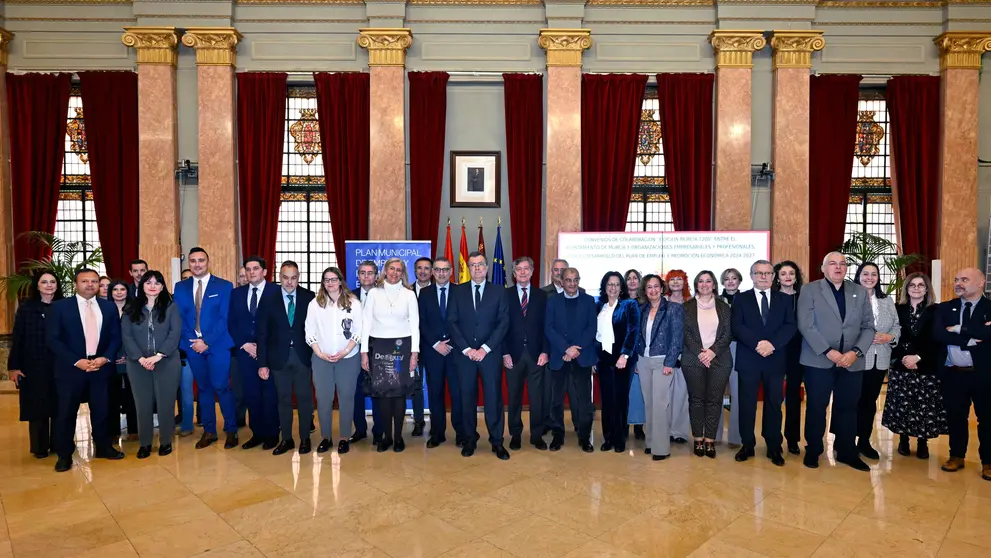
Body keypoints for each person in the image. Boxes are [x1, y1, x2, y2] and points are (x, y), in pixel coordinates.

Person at [797, 251, 875, 471]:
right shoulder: (810, 289)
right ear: (823, 268)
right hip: (818, 360)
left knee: (848, 407)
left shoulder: (858, 292)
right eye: (832, 263)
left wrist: (856, 352)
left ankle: (847, 451)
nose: (838, 267)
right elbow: (806, 325)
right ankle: (813, 449)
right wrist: (828, 351)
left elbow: (869, 327)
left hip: (852, 362)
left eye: (842, 264)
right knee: (816, 407)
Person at [47, 268, 124, 472]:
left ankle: (104, 447)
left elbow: (116, 337)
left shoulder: (108, 308)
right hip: (71, 369)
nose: (90, 285)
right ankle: (64, 454)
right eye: (85, 281)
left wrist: (104, 358)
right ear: (75, 284)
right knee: (66, 412)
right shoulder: (60, 307)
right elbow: (53, 339)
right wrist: (76, 361)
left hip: (101, 367)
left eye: (94, 281)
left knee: (102, 409)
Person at [731, 260, 796, 466]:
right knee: (747, 405)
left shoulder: (784, 299)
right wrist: (757, 344)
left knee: (774, 405)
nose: (763, 277)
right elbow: (737, 326)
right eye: (759, 273)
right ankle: (747, 445)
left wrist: (772, 344)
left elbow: (790, 326)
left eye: (768, 273)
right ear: (751, 276)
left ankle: (773, 446)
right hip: (749, 358)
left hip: (775, 359)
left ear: (773, 276)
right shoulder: (741, 299)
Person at [174, 247, 238, 450]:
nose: (197, 264)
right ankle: (209, 431)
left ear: (208, 262)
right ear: (189, 264)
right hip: (193, 346)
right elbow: (180, 318)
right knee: (203, 389)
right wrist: (194, 340)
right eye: (193, 261)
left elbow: (225, 318)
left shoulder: (224, 286)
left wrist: (207, 341)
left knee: (222, 386)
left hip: (217, 345)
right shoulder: (180, 287)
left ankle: (231, 430)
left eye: (201, 260)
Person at [448, 251, 510, 459]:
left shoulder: (499, 291)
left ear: (486, 268)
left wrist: (485, 349)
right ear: (468, 268)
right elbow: (452, 322)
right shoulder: (457, 292)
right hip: (464, 355)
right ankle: (469, 439)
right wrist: (467, 349)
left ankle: (497, 441)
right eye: (472, 265)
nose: (476, 268)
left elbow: (503, 323)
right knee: (466, 398)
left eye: (480, 265)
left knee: (493, 398)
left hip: (490, 355)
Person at [933, 267, 991, 480]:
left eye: (964, 279)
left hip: (984, 374)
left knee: (987, 418)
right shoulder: (946, 308)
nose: (958, 283)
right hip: (953, 374)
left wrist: (958, 329)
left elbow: (989, 334)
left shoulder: (989, 307)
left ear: (980, 282)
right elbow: (938, 334)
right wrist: (970, 338)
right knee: (956, 417)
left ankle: (988, 462)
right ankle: (956, 456)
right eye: (957, 279)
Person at [881, 272, 946, 459]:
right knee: (903, 405)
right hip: (902, 366)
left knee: (923, 406)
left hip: (926, 366)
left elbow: (936, 340)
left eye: (921, 285)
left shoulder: (936, 311)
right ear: (906, 289)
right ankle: (903, 440)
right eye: (912, 285)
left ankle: (922, 442)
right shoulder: (897, 309)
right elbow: (894, 335)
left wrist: (918, 357)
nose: (916, 288)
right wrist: (904, 357)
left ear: (927, 289)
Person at [120, 270, 182, 458]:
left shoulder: (171, 307)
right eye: (148, 282)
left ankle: (165, 442)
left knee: (166, 404)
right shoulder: (130, 309)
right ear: (142, 285)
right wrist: (140, 358)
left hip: (167, 361)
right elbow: (127, 337)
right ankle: (145, 443)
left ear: (162, 286)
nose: (152, 286)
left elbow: (175, 333)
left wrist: (159, 355)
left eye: (157, 282)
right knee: (143, 405)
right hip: (137, 363)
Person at [361, 258, 420, 453]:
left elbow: (415, 326)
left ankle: (397, 438)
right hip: (379, 347)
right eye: (391, 269)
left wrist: (414, 353)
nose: (394, 273)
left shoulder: (409, 295)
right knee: (383, 394)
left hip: (403, 347)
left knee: (399, 393)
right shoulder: (374, 294)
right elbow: (366, 324)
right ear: (385, 271)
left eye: (399, 270)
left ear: (403, 273)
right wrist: (363, 353)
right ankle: (385, 437)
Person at [257, 261, 315, 455]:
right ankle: (287, 439)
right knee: (283, 401)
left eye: (294, 278)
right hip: (278, 359)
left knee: (305, 399)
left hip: (303, 357)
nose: (289, 282)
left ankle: (305, 438)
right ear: (279, 277)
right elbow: (262, 334)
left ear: (298, 277)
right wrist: (262, 363)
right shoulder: (268, 299)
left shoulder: (310, 298)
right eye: (285, 277)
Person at [8, 271, 63, 458]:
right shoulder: (26, 307)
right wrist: (14, 366)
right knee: (37, 406)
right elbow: (18, 338)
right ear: (37, 285)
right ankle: (40, 447)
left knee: (59, 405)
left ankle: (59, 443)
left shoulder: (63, 306)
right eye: (44, 282)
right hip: (33, 365)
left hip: (59, 364)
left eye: (52, 282)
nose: (49, 285)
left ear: (57, 285)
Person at [304, 266, 358, 454]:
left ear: (341, 280)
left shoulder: (353, 302)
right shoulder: (315, 304)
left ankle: (344, 437)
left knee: (346, 398)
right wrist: (319, 353)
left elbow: (358, 331)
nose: (330, 283)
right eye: (326, 280)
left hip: (348, 358)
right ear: (323, 283)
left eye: (333, 279)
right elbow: (309, 331)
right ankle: (325, 437)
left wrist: (344, 351)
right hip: (321, 359)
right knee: (324, 398)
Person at [229, 256, 281, 450]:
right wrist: (244, 343)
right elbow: (231, 323)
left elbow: (281, 324)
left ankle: (272, 434)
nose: (252, 272)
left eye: (256, 268)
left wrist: (262, 346)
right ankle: (257, 433)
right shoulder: (236, 294)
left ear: (265, 272)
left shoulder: (277, 292)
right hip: (244, 353)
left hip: (270, 353)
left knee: (270, 394)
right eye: (248, 269)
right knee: (251, 394)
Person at [681, 271, 734, 458]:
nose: (704, 284)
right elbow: (685, 333)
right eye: (701, 281)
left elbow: (728, 333)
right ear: (696, 285)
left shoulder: (724, 307)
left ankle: (710, 439)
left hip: (719, 359)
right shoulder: (686, 307)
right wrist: (701, 353)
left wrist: (712, 352)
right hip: (693, 359)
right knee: (696, 400)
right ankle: (697, 438)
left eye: (708, 281)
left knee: (714, 400)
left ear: (714, 285)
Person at [851, 262, 900, 460]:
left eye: (874, 274)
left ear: (878, 278)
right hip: (855, 358)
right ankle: (844, 440)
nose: (869, 277)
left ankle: (864, 441)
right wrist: (863, 337)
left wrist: (890, 337)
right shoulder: (850, 298)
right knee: (850, 401)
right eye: (865, 274)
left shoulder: (887, 300)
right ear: (858, 276)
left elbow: (896, 325)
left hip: (879, 360)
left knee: (869, 403)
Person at [545, 267, 597, 453]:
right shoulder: (552, 302)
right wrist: (565, 348)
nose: (572, 283)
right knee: (556, 400)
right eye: (568, 280)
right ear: (561, 281)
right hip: (560, 357)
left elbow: (591, 328)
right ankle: (558, 436)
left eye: (576, 280)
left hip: (582, 357)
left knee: (583, 401)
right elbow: (549, 328)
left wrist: (575, 349)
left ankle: (584, 438)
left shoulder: (589, 301)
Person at [503, 256, 549, 451]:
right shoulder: (505, 295)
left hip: (536, 354)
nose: (522, 272)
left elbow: (547, 326)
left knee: (536, 397)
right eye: (519, 269)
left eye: (526, 269)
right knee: (514, 397)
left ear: (532, 271)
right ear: (514, 274)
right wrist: (504, 353)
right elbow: (501, 327)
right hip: (512, 355)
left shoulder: (542, 296)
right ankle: (515, 434)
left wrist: (546, 351)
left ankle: (536, 435)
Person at [636, 274, 684, 461]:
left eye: (656, 286)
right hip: (644, 361)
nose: (653, 290)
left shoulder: (673, 309)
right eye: (649, 287)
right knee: (649, 403)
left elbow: (677, 338)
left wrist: (670, 363)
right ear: (645, 290)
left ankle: (661, 448)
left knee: (661, 404)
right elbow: (638, 337)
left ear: (662, 288)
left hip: (663, 361)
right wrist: (637, 360)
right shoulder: (642, 310)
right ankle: (650, 443)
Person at [419, 257, 464, 449]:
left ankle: (461, 432)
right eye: (437, 270)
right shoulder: (425, 293)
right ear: (432, 272)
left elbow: (464, 321)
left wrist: (453, 343)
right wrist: (436, 343)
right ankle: (437, 433)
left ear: (451, 271)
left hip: (455, 352)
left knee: (458, 394)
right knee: (435, 393)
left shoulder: (460, 292)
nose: (441, 273)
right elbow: (421, 322)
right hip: (433, 352)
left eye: (445, 270)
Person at [596, 271, 640, 453]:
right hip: (603, 358)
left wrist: (625, 355)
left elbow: (633, 330)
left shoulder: (629, 304)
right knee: (606, 400)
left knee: (620, 399)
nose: (613, 287)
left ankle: (620, 438)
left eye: (616, 284)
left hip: (622, 358)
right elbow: (594, 333)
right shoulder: (598, 305)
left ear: (621, 287)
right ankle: (608, 437)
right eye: (609, 284)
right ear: (605, 286)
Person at [773, 260, 805, 455]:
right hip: (776, 352)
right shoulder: (771, 298)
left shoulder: (804, 297)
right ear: (777, 277)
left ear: (796, 277)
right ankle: (774, 438)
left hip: (798, 353)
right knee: (774, 398)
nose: (787, 277)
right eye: (783, 273)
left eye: (791, 273)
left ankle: (792, 439)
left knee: (793, 397)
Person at [351, 260, 383, 444]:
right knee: (355, 391)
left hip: (378, 350)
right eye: (362, 273)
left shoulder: (383, 295)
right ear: (358, 276)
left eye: (370, 273)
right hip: (353, 350)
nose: (366, 276)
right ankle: (360, 429)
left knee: (378, 391)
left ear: (376, 276)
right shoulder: (349, 296)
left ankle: (379, 430)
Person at [106, 280, 138, 443]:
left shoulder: (135, 310)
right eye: (115, 289)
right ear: (110, 292)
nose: (119, 292)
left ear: (128, 291)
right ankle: (113, 431)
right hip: (110, 358)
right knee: (112, 396)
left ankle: (134, 430)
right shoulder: (104, 309)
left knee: (133, 395)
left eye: (122, 289)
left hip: (132, 357)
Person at [665, 269, 692, 445]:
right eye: (672, 279)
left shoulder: (691, 303)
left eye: (679, 279)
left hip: (686, 354)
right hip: (664, 355)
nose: (675, 282)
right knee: (665, 396)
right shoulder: (662, 302)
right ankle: (664, 430)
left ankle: (680, 432)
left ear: (684, 282)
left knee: (682, 395)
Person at [408, 256, 433, 437]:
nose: (423, 271)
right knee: (415, 385)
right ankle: (418, 421)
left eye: (426, 268)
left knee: (434, 385)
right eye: (419, 268)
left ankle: (437, 422)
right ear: (414, 271)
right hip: (411, 348)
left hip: (433, 348)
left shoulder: (438, 291)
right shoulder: (406, 291)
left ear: (431, 271)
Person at [718, 268, 743, 449]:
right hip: (718, 349)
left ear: (739, 281)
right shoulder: (715, 300)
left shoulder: (747, 299)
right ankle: (714, 434)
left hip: (738, 348)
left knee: (737, 393)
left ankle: (736, 437)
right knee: (716, 392)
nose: (730, 281)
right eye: (727, 279)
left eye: (734, 278)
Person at [625, 269, 646, 442]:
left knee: (638, 393)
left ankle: (639, 426)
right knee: (624, 391)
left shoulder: (646, 303)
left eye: (635, 278)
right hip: (622, 354)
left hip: (639, 354)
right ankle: (623, 424)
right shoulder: (619, 301)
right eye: (629, 278)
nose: (632, 281)